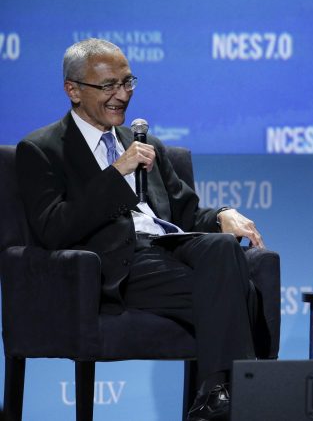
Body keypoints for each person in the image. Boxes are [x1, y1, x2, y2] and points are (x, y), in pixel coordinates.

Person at [16, 38, 265, 421]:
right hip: (116, 264)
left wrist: (222, 216)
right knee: (241, 290)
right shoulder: (42, 149)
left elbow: (187, 211)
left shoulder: (144, 143)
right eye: (108, 86)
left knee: (223, 248)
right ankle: (237, 393)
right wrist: (117, 173)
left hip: (167, 247)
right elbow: (53, 228)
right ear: (73, 90)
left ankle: (217, 395)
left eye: (128, 82)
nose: (122, 95)